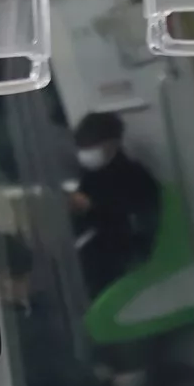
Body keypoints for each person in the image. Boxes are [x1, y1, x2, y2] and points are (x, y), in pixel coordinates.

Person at [69, 111, 161, 301]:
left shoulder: (135, 177)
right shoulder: (89, 176)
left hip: (120, 265)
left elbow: (140, 221)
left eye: (91, 146)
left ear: (112, 144)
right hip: (89, 260)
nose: (86, 153)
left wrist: (94, 206)